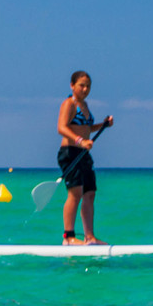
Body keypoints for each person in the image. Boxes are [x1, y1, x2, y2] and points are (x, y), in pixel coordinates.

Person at [57, 71, 113, 245]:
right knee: (75, 194)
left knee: (90, 193)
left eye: (88, 86)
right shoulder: (69, 104)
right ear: (72, 85)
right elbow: (61, 127)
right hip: (70, 153)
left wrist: (103, 125)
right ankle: (68, 237)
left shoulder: (85, 105)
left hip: (83, 154)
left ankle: (90, 237)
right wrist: (80, 141)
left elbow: (87, 129)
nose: (85, 89)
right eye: (81, 85)